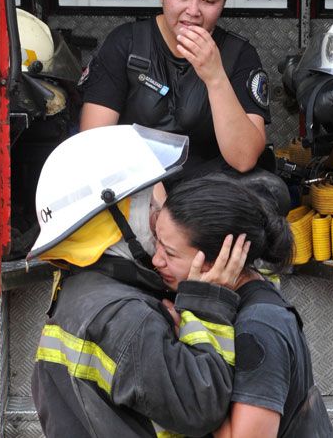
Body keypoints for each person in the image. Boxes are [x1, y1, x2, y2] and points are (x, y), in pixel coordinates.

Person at [29, 124, 250, 437]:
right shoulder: (128, 318)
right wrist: (208, 307)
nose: (160, 213)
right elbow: (200, 408)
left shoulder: (80, 289)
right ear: (117, 218)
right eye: (150, 205)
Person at [78, 0, 289, 214]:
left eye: (209, 0)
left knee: (271, 192)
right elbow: (93, 142)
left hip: (206, 199)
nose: (193, 11)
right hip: (134, 190)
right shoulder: (125, 44)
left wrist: (215, 77)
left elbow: (244, 158)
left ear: (223, 2)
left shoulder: (239, 55)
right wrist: (150, 188)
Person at [154, 175, 333, 438]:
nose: (156, 259)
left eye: (170, 253)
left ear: (221, 259)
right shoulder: (246, 298)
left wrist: (198, 320)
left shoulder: (259, 327)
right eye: (157, 242)